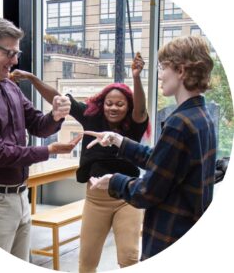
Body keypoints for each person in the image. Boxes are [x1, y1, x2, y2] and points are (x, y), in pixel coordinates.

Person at [0, 17, 81, 262]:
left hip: (20, 197)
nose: (15, 60)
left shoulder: (10, 88)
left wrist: (56, 114)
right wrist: (48, 150)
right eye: (9, 53)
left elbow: (39, 125)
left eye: (16, 52)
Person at [10, 52, 150, 272]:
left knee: (129, 258)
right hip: (95, 200)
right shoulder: (91, 116)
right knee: (86, 262)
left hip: (127, 198)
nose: (113, 108)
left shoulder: (134, 123)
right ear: (103, 104)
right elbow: (59, 100)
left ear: (128, 107)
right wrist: (32, 78)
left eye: (120, 105)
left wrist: (136, 77)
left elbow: (141, 109)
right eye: (109, 103)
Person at [85, 35, 216, 261]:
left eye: (164, 67)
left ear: (181, 70)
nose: (160, 74)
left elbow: (148, 192)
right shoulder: (203, 117)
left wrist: (113, 181)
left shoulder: (179, 123)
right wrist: (119, 140)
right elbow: (162, 163)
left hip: (169, 235)